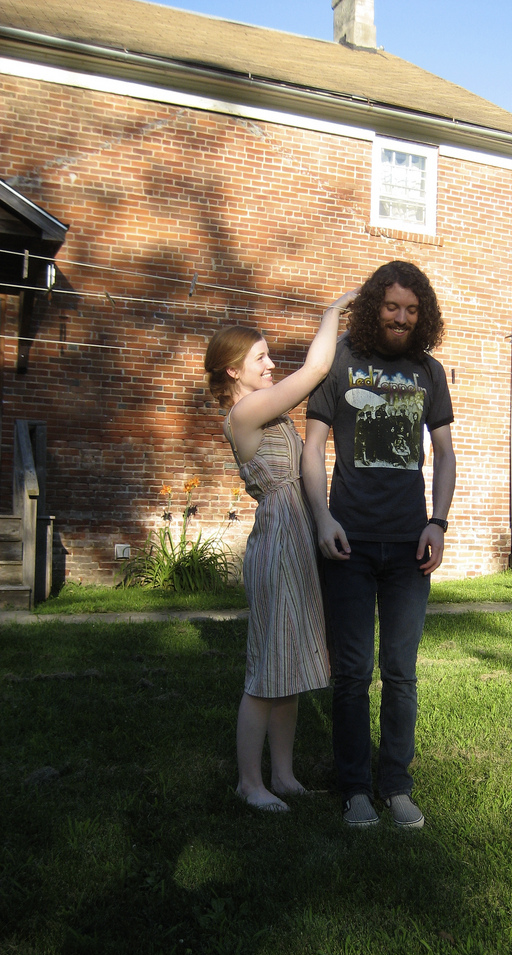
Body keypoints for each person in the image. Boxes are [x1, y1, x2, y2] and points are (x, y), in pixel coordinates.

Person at [302, 261, 456, 828]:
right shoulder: (340, 360)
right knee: (351, 672)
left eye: (412, 310)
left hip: (409, 545)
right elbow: (312, 447)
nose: (402, 318)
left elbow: (446, 454)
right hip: (348, 540)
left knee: (401, 672)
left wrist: (438, 522)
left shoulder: (428, 371)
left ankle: (395, 784)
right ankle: (354, 789)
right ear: (375, 307)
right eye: (392, 306)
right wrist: (322, 517)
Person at [204, 288, 358, 812]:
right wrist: (333, 313)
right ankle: (250, 783)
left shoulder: (268, 411)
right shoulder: (246, 413)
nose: (271, 364)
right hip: (277, 541)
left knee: (288, 667)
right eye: (261, 358)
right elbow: (316, 370)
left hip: (297, 535)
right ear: (233, 371)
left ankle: (284, 776)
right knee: (267, 669)